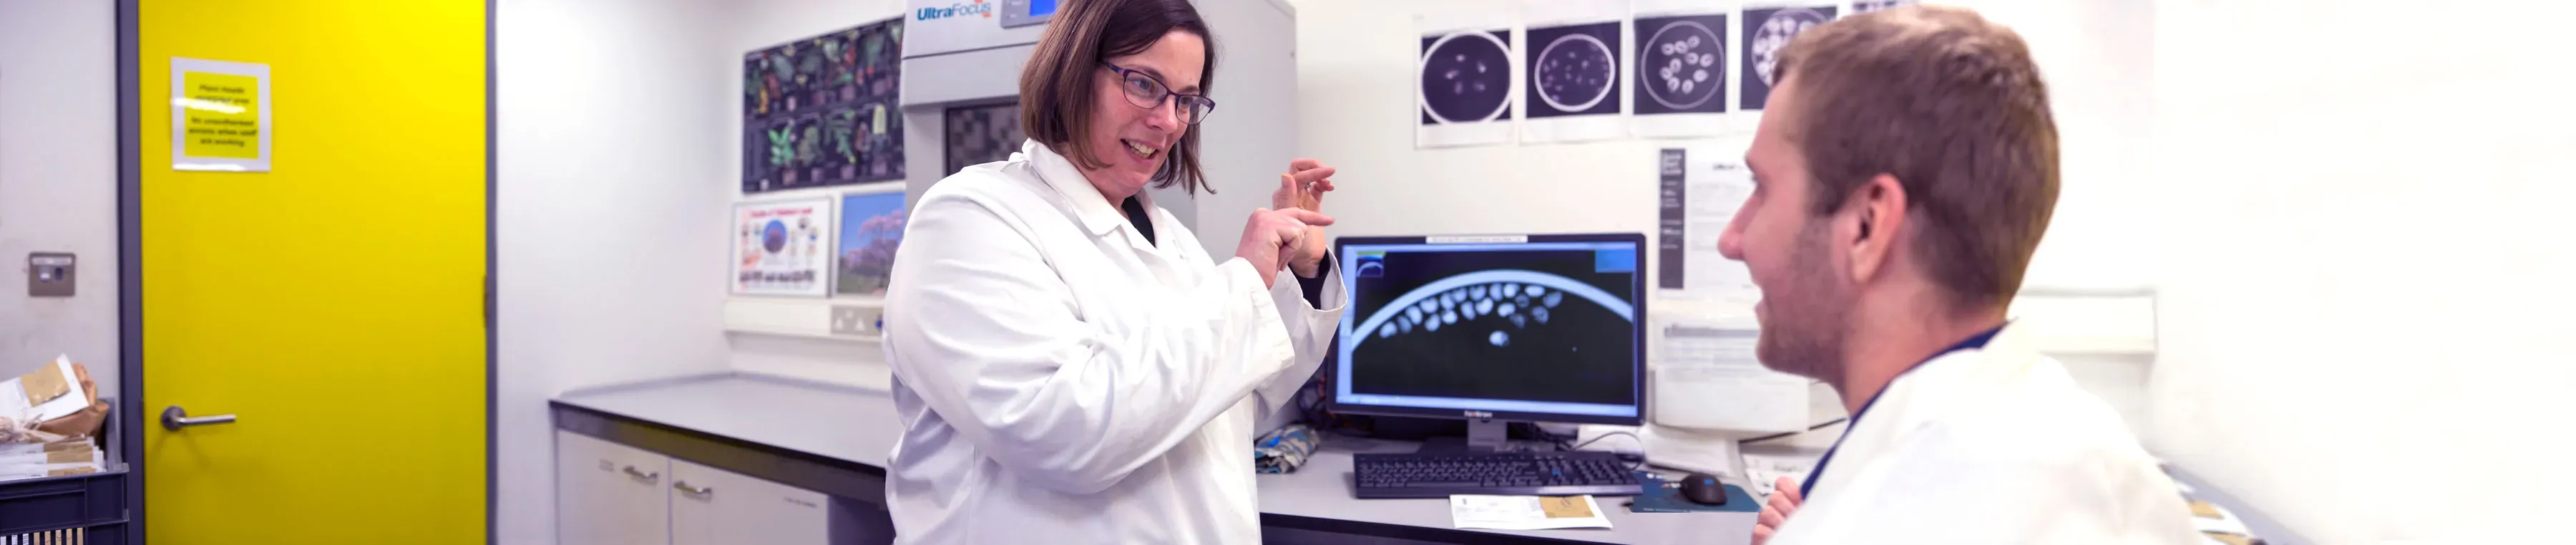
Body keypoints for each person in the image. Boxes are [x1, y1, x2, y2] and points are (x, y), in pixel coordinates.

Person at [1722, 6, 2198, 544]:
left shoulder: (1898, 520)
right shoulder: (2081, 452)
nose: (1733, 239)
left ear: (1866, 226)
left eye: (1761, 188)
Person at [877, 0, 1345, 542]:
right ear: (1073, 73)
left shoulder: (1172, 238)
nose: (1169, 120)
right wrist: (1243, 280)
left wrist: (1302, 272)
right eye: (1144, 84)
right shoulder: (968, 219)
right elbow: (1064, 434)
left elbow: (1242, 391)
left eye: (1186, 100)